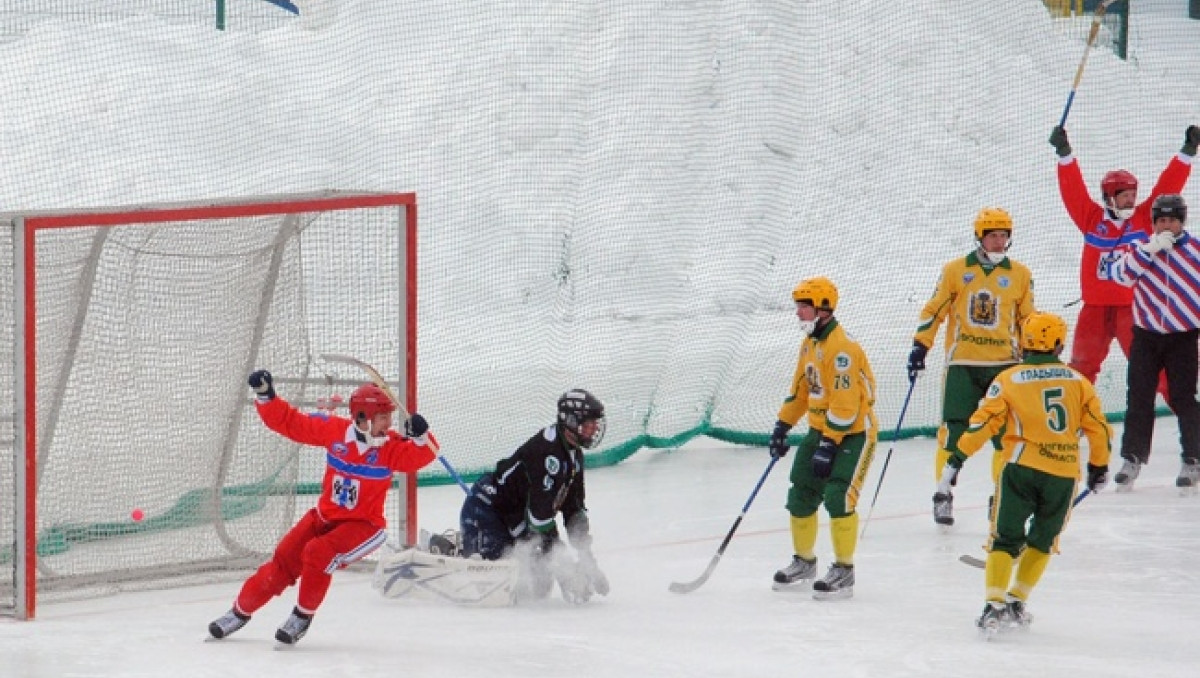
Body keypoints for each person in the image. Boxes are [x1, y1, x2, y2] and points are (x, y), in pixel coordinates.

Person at [207, 370, 437, 645]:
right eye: (383, 417)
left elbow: (421, 456)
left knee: (317, 553)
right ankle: (239, 612)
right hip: (324, 517)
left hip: (365, 526)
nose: (389, 424)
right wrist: (266, 397)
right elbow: (293, 423)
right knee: (283, 560)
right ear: (362, 418)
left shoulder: (389, 447)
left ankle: (301, 617)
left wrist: (422, 436)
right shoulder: (335, 432)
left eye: (389, 416)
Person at [942, 311, 1112, 636]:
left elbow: (983, 422)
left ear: (1024, 342)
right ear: (1059, 345)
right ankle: (1017, 600)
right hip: (1062, 475)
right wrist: (1099, 465)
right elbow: (1098, 428)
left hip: (1020, 469)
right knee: (1043, 541)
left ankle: (993, 604)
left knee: (1004, 540)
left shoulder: (1008, 379)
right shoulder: (1078, 382)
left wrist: (958, 456)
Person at [907, 207, 1035, 527]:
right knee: (954, 431)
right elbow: (934, 309)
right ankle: (943, 494)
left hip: (1004, 366)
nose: (998, 241)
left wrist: (1033, 351)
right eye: (992, 235)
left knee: (1005, 435)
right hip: (963, 364)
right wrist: (921, 345)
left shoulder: (1020, 274)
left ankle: (1002, 496)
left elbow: (1027, 318)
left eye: (1003, 235)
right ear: (980, 236)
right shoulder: (955, 270)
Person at [1048, 124, 1197, 388]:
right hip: (1094, 309)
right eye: (1124, 196)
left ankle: (1188, 421)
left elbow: (1168, 185)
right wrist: (1064, 154)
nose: (1131, 200)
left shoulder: (1143, 219)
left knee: (1156, 369)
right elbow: (1073, 192)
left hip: (1133, 307)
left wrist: (1187, 151)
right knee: (1081, 368)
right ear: (1109, 197)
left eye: (1132, 195)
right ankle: (1074, 424)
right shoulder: (1092, 219)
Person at [768, 277, 877, 600]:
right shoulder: (810, 344)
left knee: (838, 497)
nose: (799, 312)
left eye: (805, 306)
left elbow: (846, 406)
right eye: (798, 306)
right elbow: (801, 391)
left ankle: (845, 570)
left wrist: (829, 444)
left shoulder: (841, 348)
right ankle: (804, 561)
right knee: (801, 493)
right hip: (822, 429)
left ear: (823, 308)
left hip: (854, 433)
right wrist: (782, 426)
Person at [459, 389, 610, 604]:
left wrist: (588, 561)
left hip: (518, 518)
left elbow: (573, 509)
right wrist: (565, 570)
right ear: (570, 422)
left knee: (538, 587)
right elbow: (540, 519)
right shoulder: (546, 453)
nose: (594, 429)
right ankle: (457, 548)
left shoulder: (574, 454)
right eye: (588, 424)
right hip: (487, 511)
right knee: (498, 585)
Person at [1110, 193, 1200, 492]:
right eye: (1161, 220)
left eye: (1172, 220)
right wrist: (1149, 250)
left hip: (1183, 337)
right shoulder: (1141, 248)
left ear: (1181, 221)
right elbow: (1120, 276)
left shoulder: (1196, 251)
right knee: (1138, 397)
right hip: (1146, 336)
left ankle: (1192, 458)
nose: (1166, 225)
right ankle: (1132, 458)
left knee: (1183, 398)